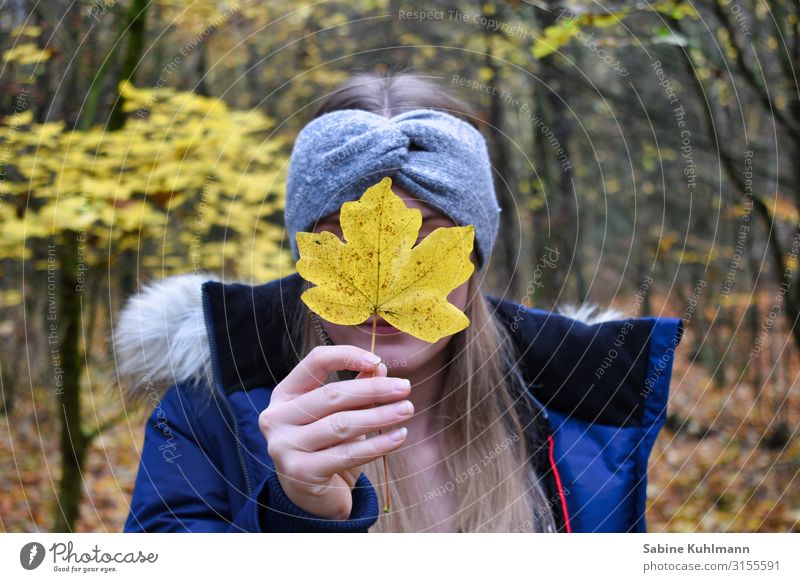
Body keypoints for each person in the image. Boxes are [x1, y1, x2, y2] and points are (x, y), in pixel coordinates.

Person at [116, 72, 683, 533]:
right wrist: (297, 517)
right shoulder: (204, 409)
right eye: (338, 233)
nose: (388, 268)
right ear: (306, 255)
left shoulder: (585, 402)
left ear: (475, 252)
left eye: (430, 234)